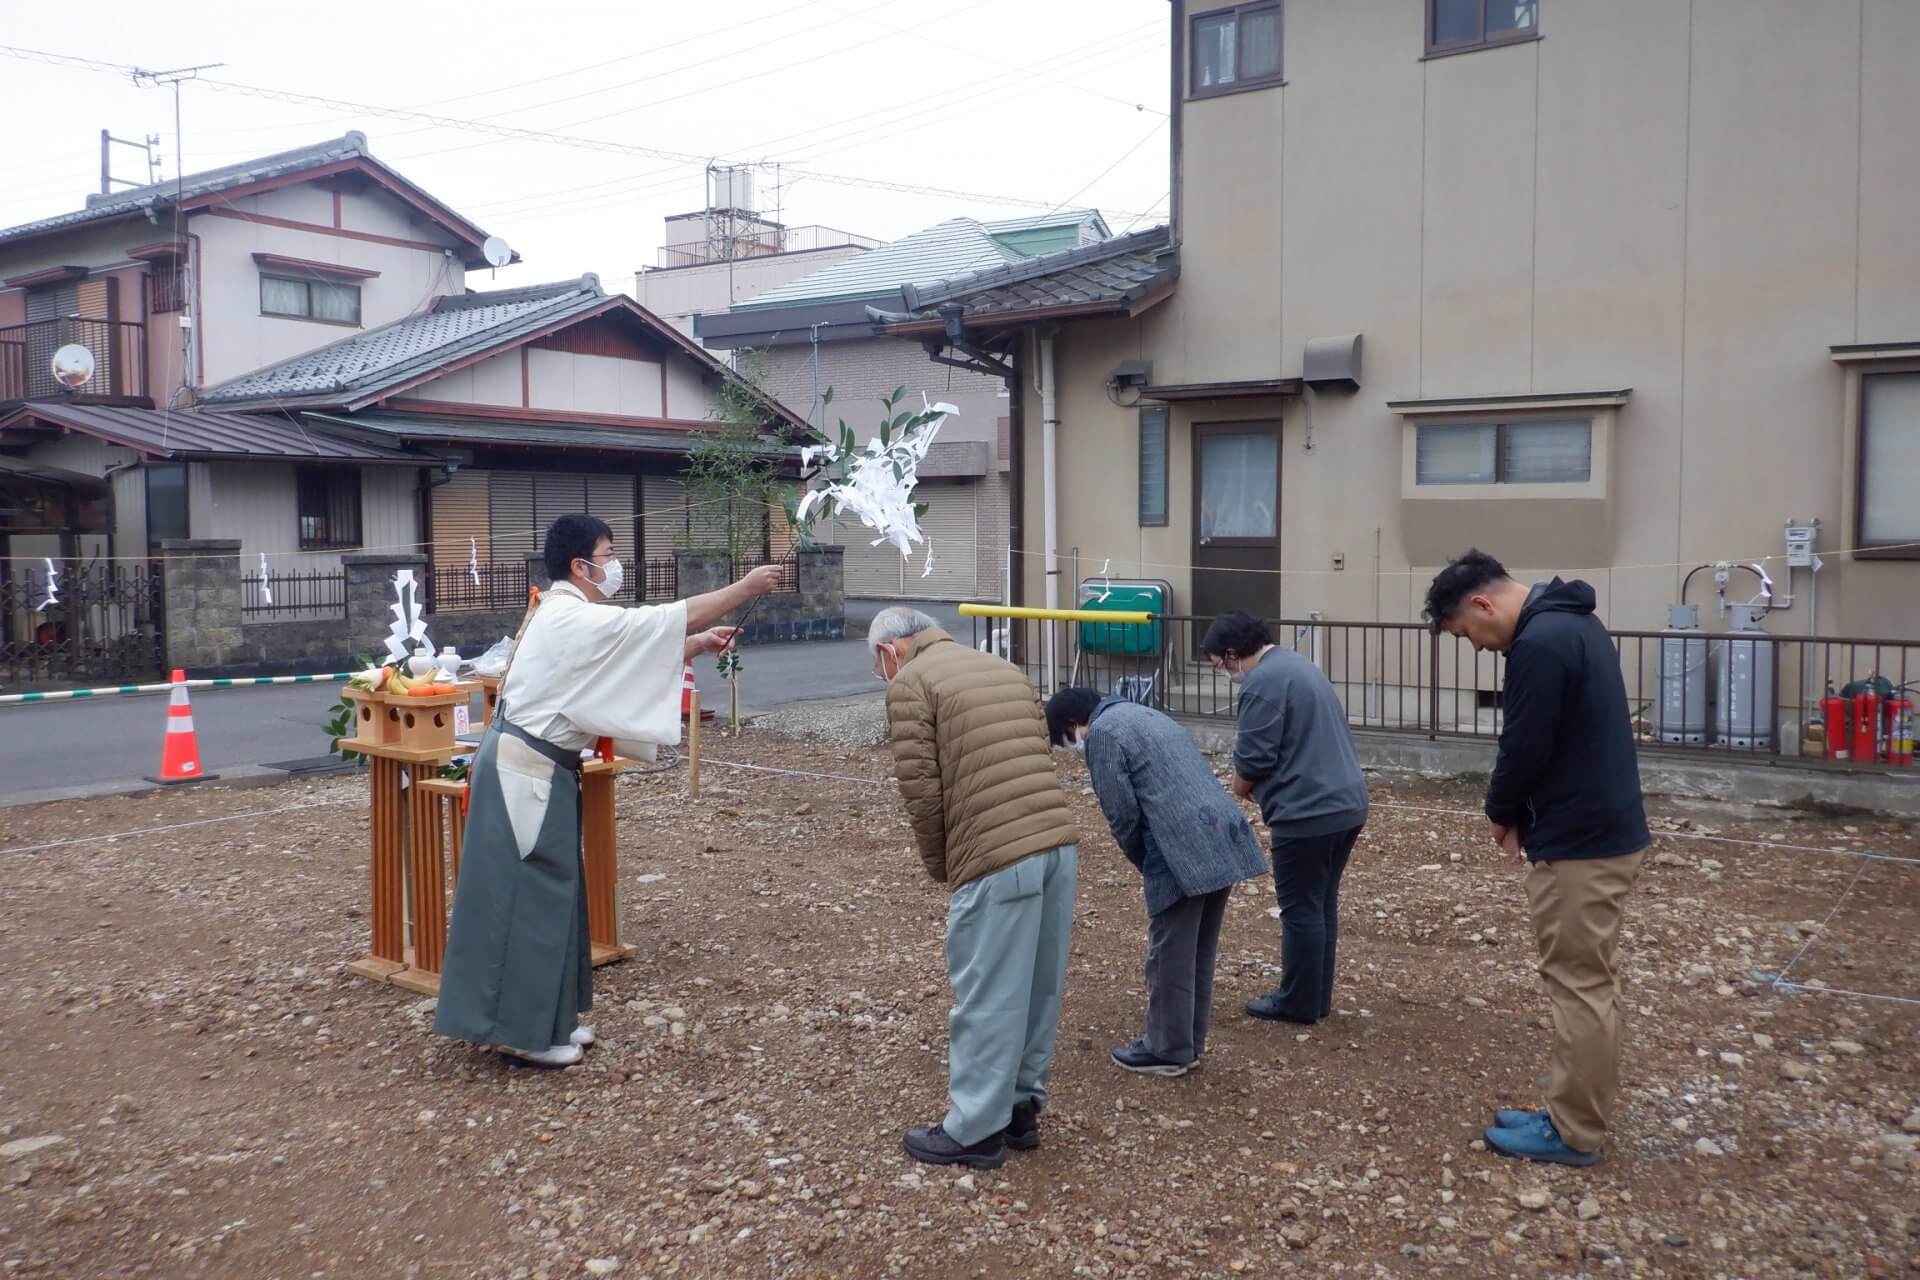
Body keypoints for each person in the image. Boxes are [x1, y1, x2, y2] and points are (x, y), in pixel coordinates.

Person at [434, 514, 785, 1068]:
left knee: (551, 894)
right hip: (525, 772)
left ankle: (544, 1023)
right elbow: (651, 625)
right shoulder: (568, 617)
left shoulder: (569, 614)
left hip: (534, 769)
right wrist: (744, 588)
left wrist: (691, 645)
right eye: (608, 553)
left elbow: (619, 659)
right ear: (581, 566)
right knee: (528, 898)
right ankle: (522, 1034)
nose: (615, 564)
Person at [1425, 551, 1650, 1166]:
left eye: (1468, 634)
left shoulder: (1540, 645)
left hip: (1582, 842)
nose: (1475, 647)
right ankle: (1568, 1109)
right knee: (1588, 980)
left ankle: (1574, 1131)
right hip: (1599, 829)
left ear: (1482, 604)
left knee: (1578, 983)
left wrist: (1501, 810)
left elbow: (1524, 743)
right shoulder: (1572, 623)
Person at [874, 606, 1078, 1169]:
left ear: (891, 650)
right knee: (1039, 985)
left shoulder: (913, 682)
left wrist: (946, 867)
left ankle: (974, 1130)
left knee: (989, 994)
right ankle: (1019, 1108)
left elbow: (923, 792)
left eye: (878, 663)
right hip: (1055, 842)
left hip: (995, 853)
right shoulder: (1003, 668)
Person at [1045, 687, 1267, 1077]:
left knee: (1170, 951)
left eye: (1067, 739)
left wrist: (1142, 859)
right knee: (1197, 947)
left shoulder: (1103, 733)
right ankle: (1187, 1041)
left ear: (1071, 725)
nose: (1073, 746)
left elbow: (1122, 812)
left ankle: (1167, 1049)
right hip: (1220, 834)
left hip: (1178, 844)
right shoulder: (1143, 714)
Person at [1200, 610, 1369, 1026]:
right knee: (1321, 902)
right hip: (1346, 804)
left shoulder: (1263, 683)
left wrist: (1237, 787)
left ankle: (1298, 1001)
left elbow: (1254, 757)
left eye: (1220, 665)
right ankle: (1315, 996)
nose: (1224, 672)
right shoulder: (1297, 665)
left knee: (1300, 908)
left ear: (1233, 654)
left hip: (1307, 811)